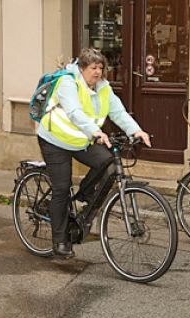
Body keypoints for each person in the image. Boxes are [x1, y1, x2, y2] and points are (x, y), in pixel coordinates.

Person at [36, 48, 152, 258]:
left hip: (82, 140)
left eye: (101, 68)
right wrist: (96, 132)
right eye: (93, 68)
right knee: (61, 188)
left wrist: (136, 130)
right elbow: (74, 112)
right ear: (82, 68)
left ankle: (86, 193)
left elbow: (118, 112)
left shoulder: (104, 88)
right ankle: (60, 241)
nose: (98, 72)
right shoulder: (68, 83)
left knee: (108, 163)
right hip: (55, 140)